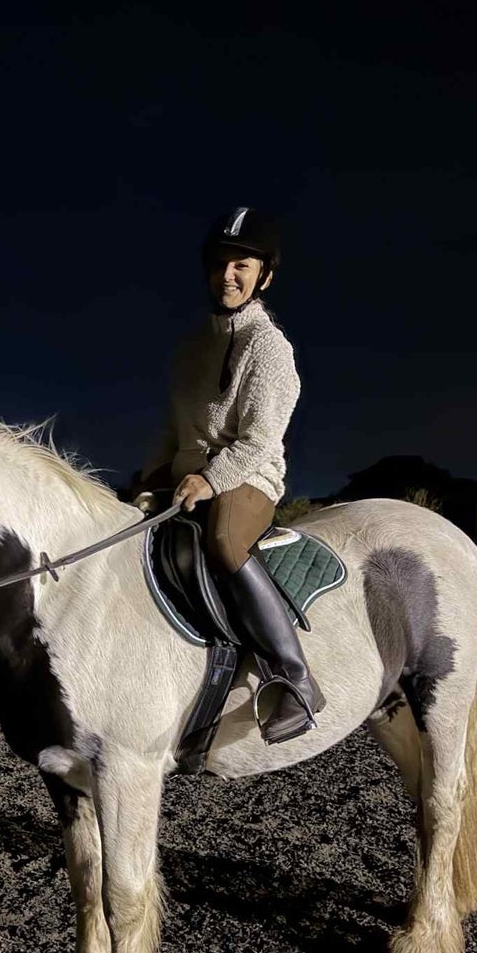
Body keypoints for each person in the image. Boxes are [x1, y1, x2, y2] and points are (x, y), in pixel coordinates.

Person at [135, 206, 323, 744]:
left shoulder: (270, 349)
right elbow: (173, 430)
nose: (228, 275)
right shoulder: (191, 349)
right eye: (220, 264)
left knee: (222, 540)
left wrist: (210, 481)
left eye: (242, 265)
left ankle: (294, 676)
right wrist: (150, 479)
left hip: (248, 479)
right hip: (189, 480)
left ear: (263, 275)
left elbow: (260, 440)